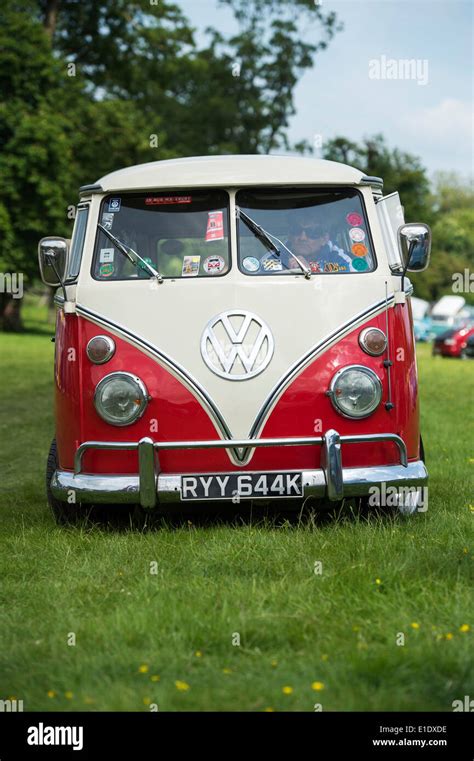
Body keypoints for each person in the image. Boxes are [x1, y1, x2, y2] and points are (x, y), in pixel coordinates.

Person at [285, 217, 354, 273]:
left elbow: (353, 283)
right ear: (289, 236)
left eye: (312, 232)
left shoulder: (340, 259)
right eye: (296, 230)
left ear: (324, 239)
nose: (303, 238)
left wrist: (312, 270)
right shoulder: (276, 256)